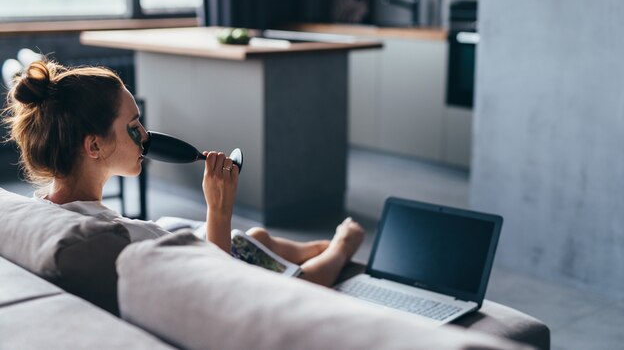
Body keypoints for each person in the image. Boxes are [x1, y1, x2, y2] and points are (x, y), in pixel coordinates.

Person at [3, 60, 364, 287]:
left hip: (197, 245)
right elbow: (217, 286)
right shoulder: (124, 236)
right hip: (219, 270)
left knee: (257, 236)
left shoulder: (43, 211)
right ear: (94, 146)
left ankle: (317, 246)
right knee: (307, 276)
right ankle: (341, 245)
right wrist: (219, 210)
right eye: (133, 126)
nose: (145, 136)